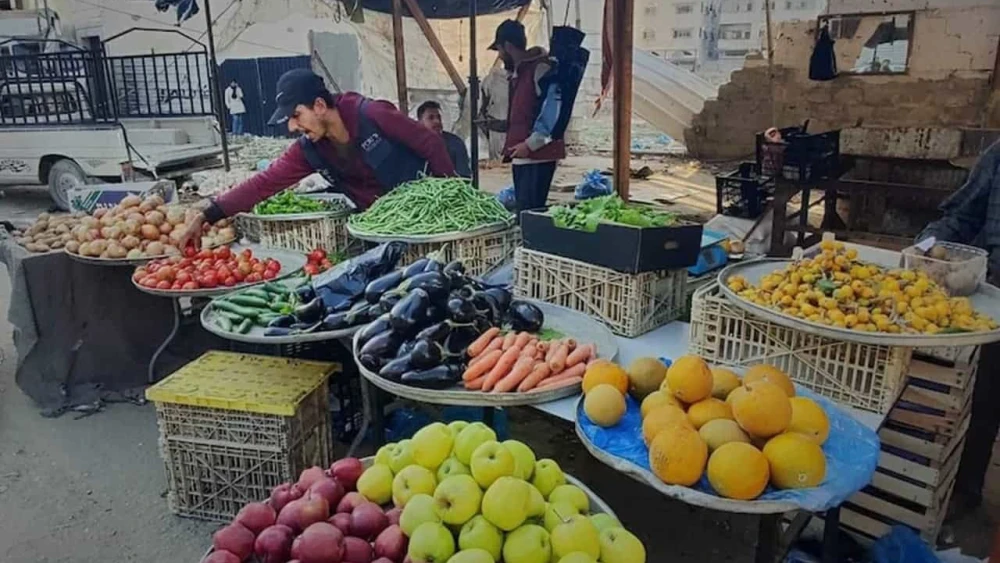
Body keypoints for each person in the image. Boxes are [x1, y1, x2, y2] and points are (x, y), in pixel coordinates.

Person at [179, 69, 454, 246]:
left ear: (320, 106)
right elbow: (263, 183)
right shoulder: (309, 149)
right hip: (381, 233)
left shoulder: (372, 115)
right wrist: (207, 214)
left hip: (428, 225)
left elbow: (430, 143)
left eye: (296, 115)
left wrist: (451, 197)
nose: (292, 126)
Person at [917, 138, 1000, 519]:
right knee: (982, 393)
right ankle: (963, 490)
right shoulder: (998, 156)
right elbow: (963, 215)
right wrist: (926, 245)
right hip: (993, 297)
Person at [489, 19, 564, 214]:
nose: (500, 55)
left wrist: (530, 144)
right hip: (524, 156)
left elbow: (552, 111)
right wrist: (503, 126)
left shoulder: (540, 68)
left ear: (507, 46)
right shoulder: (519, 72)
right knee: (526, 211)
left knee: (531, 213)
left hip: (537, 156)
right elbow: (527, 112)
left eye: (499, 50)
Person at [416, 100, 471, 177]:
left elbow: (464, 176)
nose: (437, 121)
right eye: (431, 118)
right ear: (420, 123)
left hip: (451, 187)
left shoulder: (456, 143)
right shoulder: (413, 145)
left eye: (439, 117)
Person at [479, 66, 509, 161]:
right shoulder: (491, 80)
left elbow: (483, 107)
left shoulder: (490, 80)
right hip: (498, 127)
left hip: (498, 127)